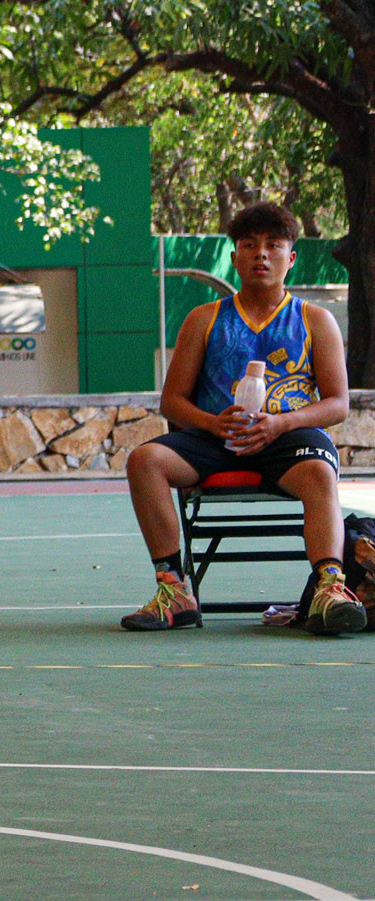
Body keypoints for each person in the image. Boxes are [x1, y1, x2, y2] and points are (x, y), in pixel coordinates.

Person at [122, 201, 358, 634]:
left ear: (291, 257)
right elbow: (172, 401)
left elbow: (338, 403)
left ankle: (329, 588)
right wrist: (213, 423)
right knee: (144, 460)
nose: (261, 254)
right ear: (234, 258)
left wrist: (281, 423)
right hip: (215, 439)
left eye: (273, 245)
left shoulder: (315, 320)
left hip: (288, 439)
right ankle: (175, 590)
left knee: (321, 472)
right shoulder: (204, 319)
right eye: (249, 245)